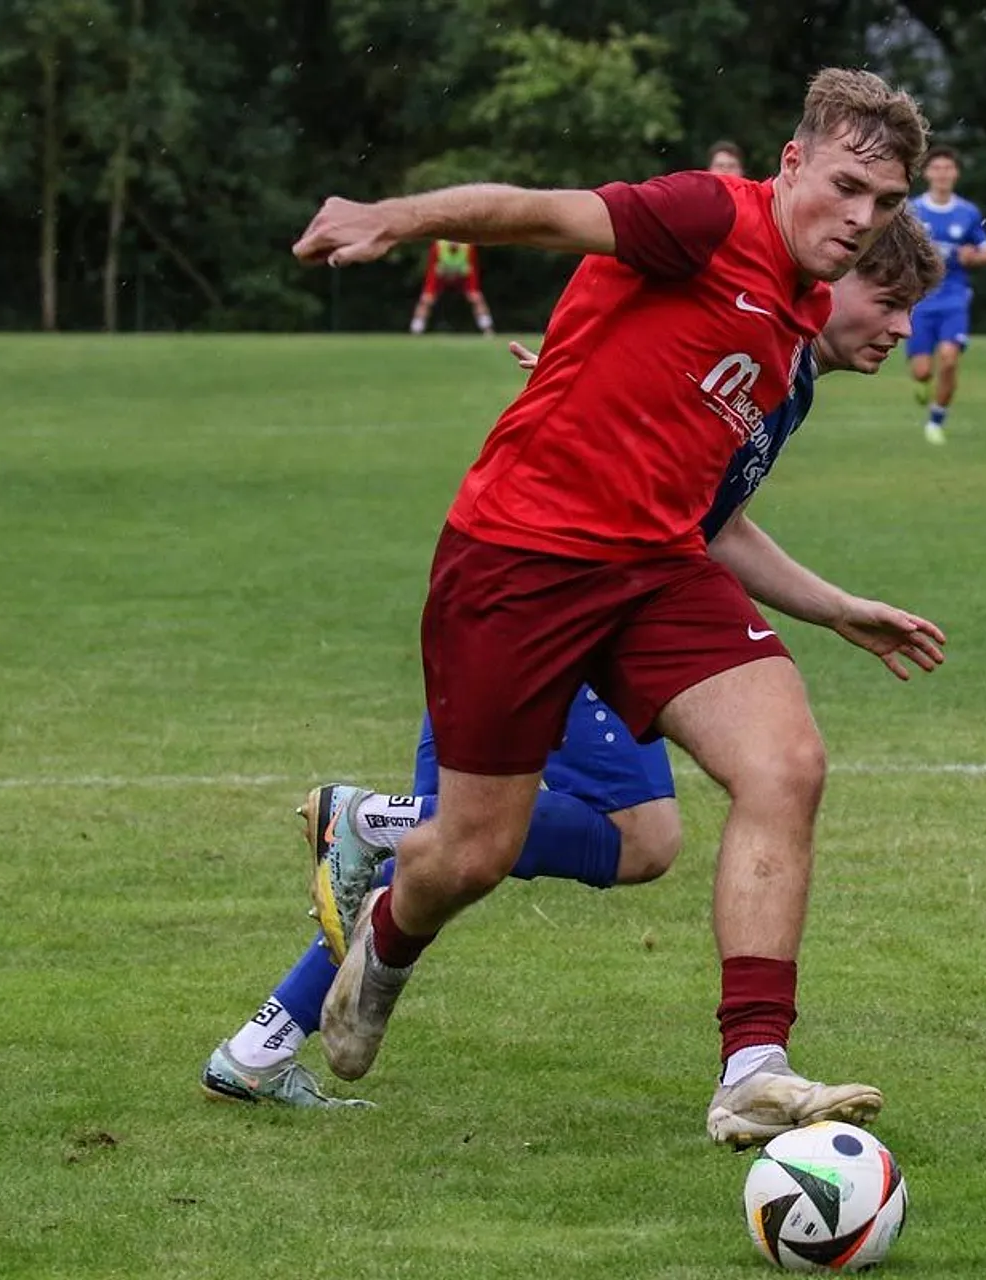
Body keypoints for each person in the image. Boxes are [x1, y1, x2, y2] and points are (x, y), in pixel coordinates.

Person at [287, 69, 931, 1147]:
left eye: (887, 202)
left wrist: (831, 609)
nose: (863, 218)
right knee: (473, 852)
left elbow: (709, 504)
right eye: (849, 185)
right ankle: (389, 937)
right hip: (519, 560)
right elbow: (542, 213)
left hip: (654, 568)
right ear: (793, 162)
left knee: (787, 762)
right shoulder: (699, 215)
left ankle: (753, 1066)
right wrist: (395, 217)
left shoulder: (804, 309)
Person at [906, 145, 986, 445]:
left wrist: (973, 256)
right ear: (927, 172)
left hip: (955, 297)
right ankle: (921, 382)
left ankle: (936, 420)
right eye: (937, 168)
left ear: (955, 173)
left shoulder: (968, 213)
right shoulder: (912, 210)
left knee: (949, 359)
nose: (942, 174)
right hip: (921, 299)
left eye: (948, 168)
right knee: (921, 370)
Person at [410, 239, 494, 336]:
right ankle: (416, 329)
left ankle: (487, 329)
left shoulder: (468, 247)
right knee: (426, 299)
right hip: (441, 276)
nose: (454, 243)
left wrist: (470, 287)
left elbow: (472, 268)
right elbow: (432, 268)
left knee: (476, 298)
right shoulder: (438, 246)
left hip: (463, 276)